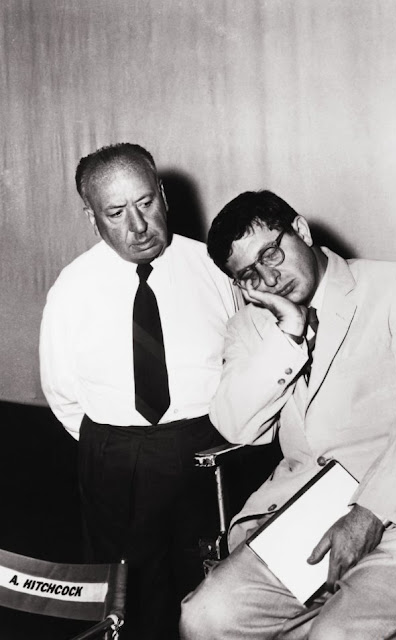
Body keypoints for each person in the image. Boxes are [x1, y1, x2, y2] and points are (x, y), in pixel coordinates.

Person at [180, 190, 396, 639]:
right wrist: (289, 334)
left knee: (333, 635)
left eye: (271, 253)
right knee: (204, 617)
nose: (269, 278)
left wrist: (368, 514)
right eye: (250, 275)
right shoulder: (250, 327)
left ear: (301, 230)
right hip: (306, 520)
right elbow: (236, 425)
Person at [39, 143, 241, 639]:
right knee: (127, 604)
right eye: (115, 212)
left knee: (215, 591)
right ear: (92, 218)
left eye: (146, 203)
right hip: (115, 458)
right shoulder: (72, 287)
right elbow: (62, 393)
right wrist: (116, 445)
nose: (138, 226)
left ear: (164, 196)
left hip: (208, 449)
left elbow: (244, 362)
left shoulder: (214, 267)